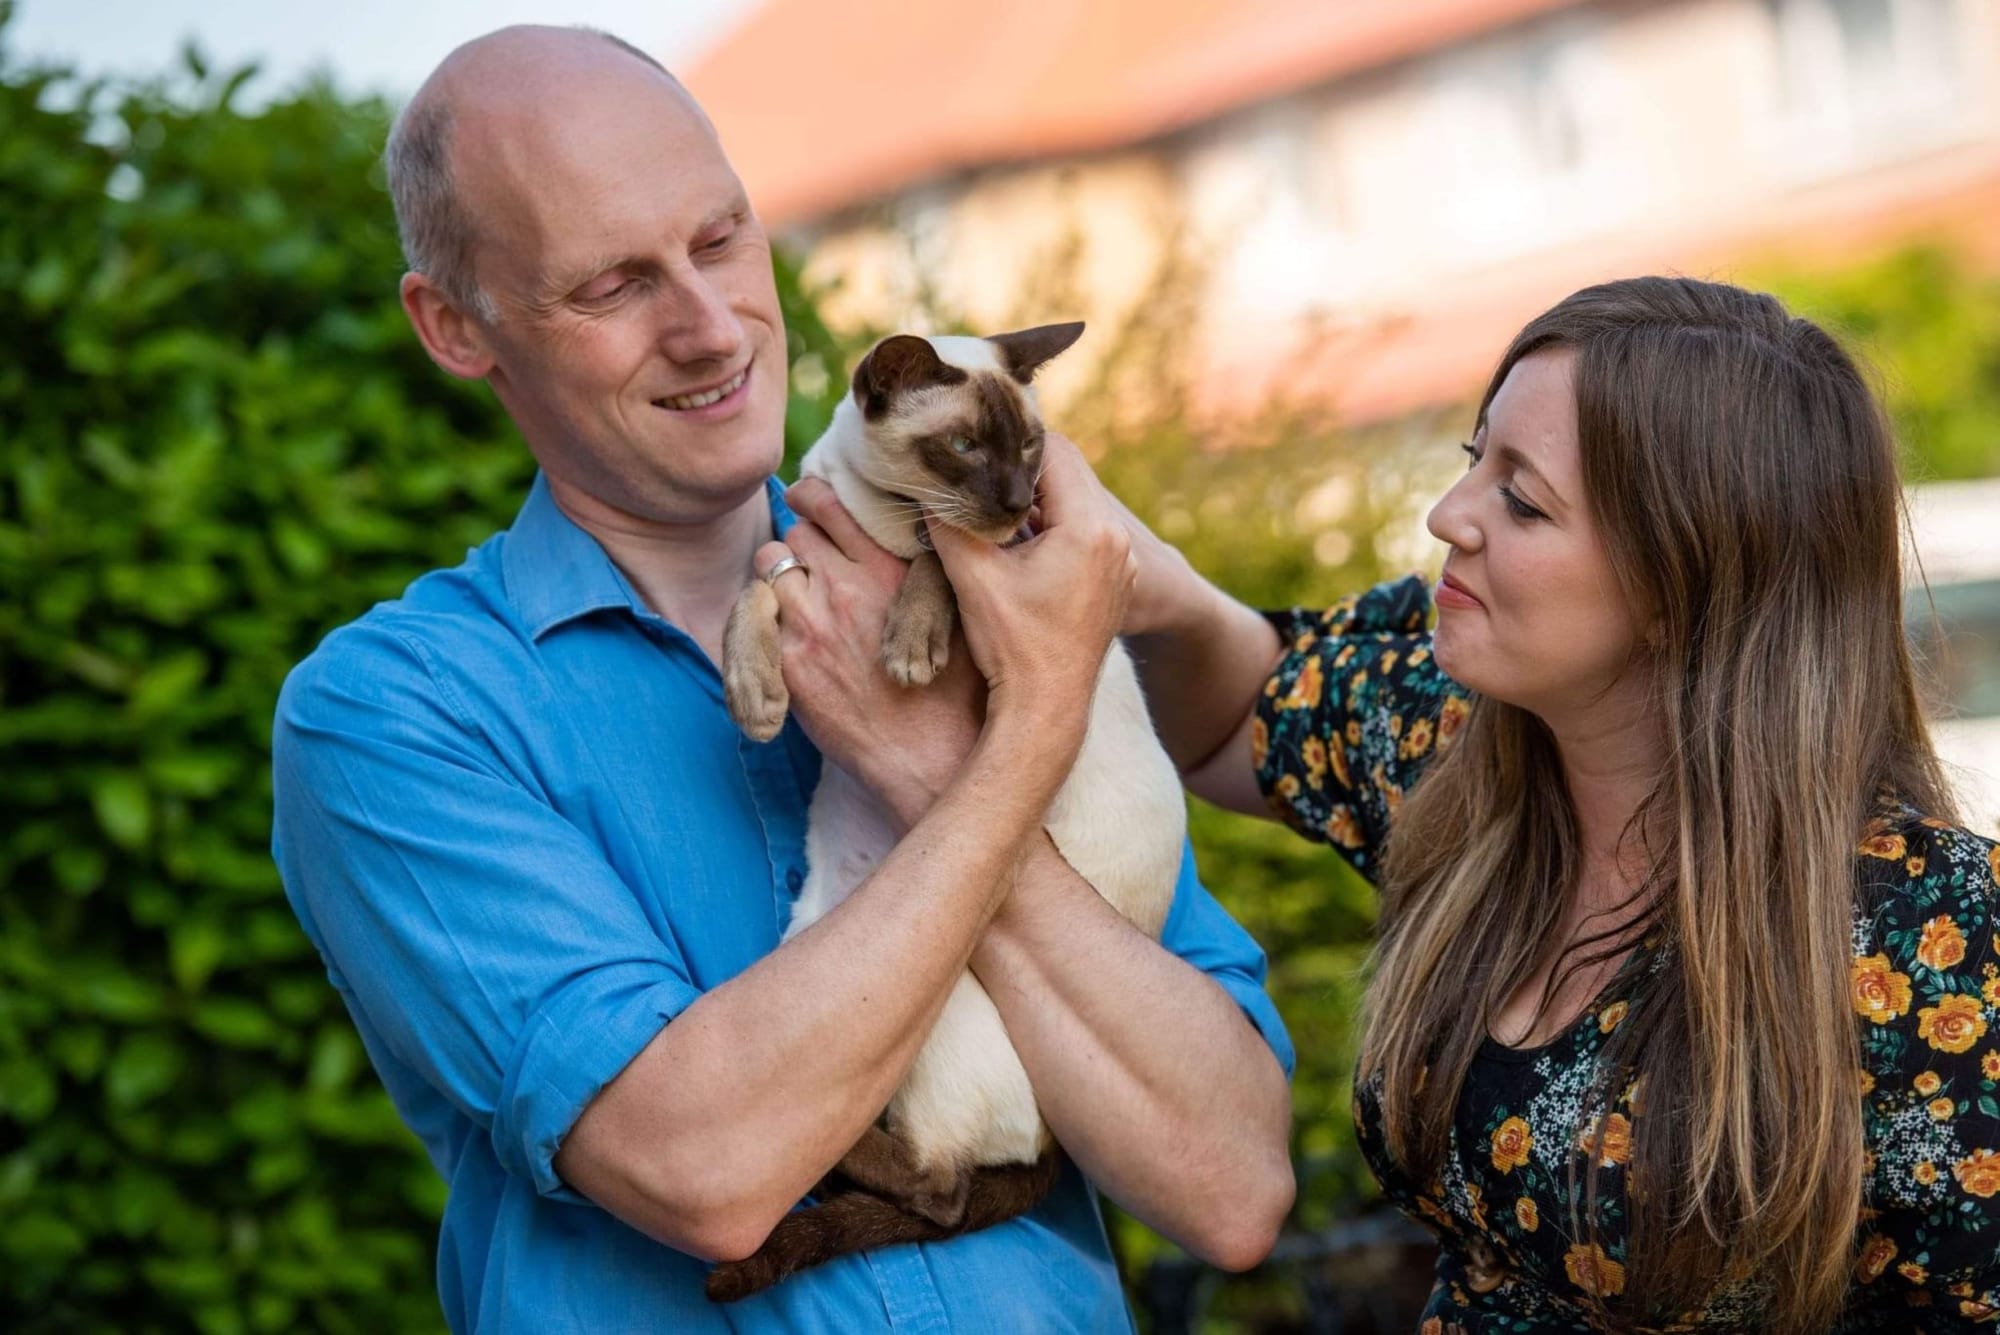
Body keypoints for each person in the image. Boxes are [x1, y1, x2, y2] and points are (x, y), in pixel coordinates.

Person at [268, 24, 1294, 1335]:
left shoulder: (997, 601)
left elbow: (1231, 1179)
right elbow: (709, 1168)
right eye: (611, 287)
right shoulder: (402, 712)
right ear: (457, 327)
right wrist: (1014, 744)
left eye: (719, 239)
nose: (710, 329)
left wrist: (944, 765)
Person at [1108, 275, 2000, 1331]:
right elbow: (1233, 716)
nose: (1448, 518)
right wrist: (1136, 580)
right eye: (1469, 462)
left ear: (1684, 584)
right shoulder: (1464, 744)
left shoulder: (1930, 944)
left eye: (1520, 500)